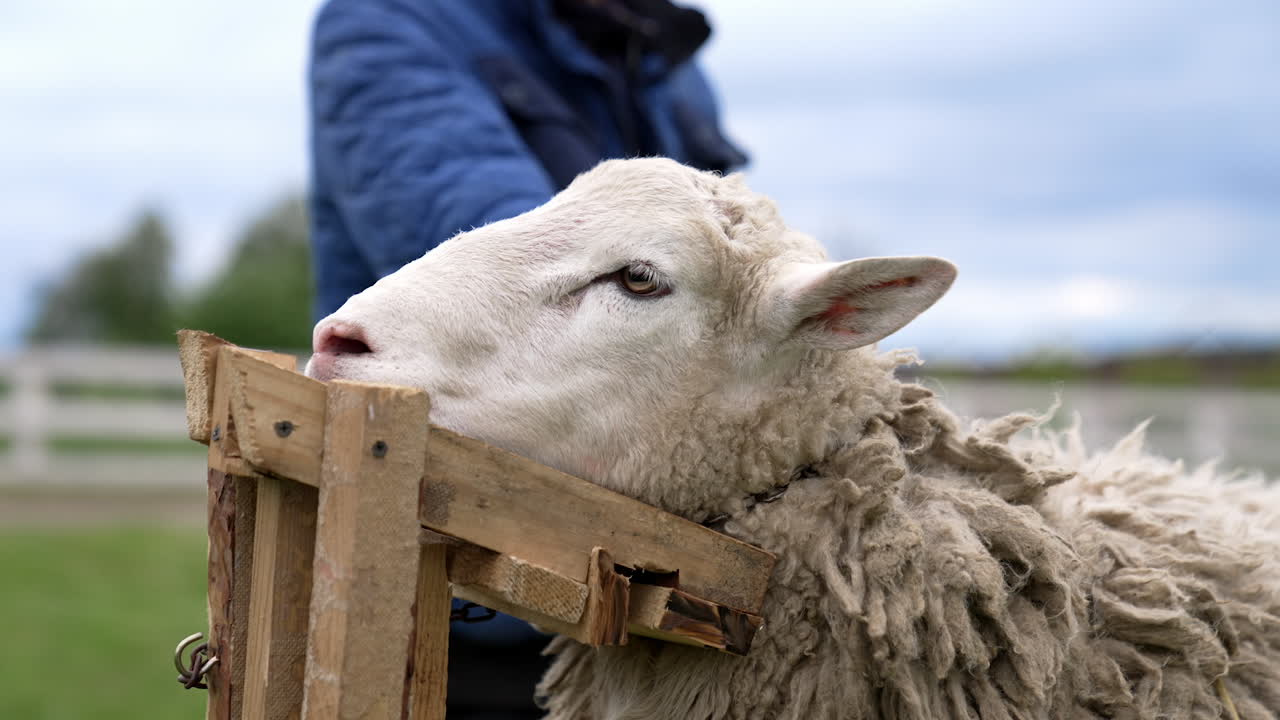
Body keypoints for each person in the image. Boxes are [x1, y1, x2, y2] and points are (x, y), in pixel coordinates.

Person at [307, 0, 746, 715]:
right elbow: (484, 227)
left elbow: (721, 262)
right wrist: (644, 274)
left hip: (656, 594)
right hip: (466, 593)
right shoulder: (391, 22)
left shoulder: (664, 55)